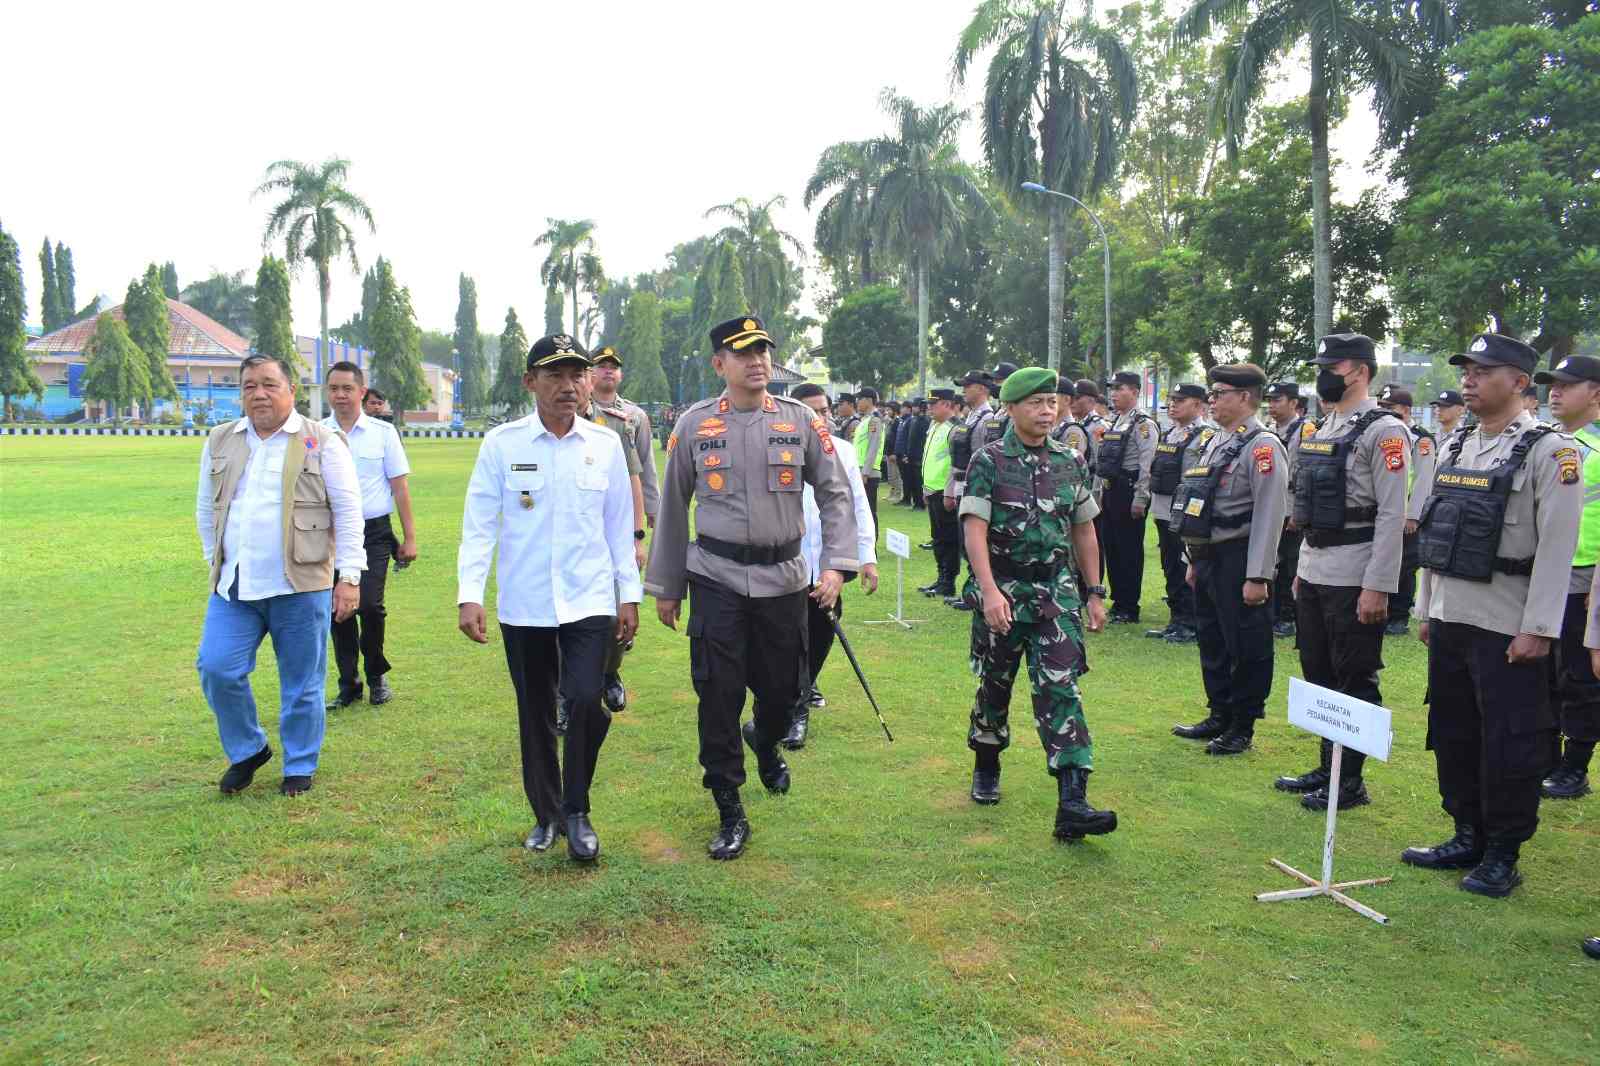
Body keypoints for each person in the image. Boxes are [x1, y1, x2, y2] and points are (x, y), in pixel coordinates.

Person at [645, 316, 858, 861]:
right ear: (720, 364)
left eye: (763, 350)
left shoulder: (802, 421)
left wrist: (836, 565)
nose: (757, 360)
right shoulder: (694, 426)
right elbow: (673, 508)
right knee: (717, 693)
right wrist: (668, 585)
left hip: (784, 580)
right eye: (743, 353)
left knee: (785, 691)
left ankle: (765, 746)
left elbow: (836, 496)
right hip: (715, 577)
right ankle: (729, 805)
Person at [1402, 333, 1581, 897]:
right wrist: (1428, 607)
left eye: (1483, 371)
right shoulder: (1455, 446)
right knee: (1454, 730)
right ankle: (1466, 831)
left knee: (1512, 739)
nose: (1469, 380)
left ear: (1520, 382)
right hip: (1454, 614)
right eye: (1467, 371)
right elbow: (1438, 535)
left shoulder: (1552, 453)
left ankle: (1503, 850)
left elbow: (1557, 547)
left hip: (1508, 619)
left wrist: (1539, 628)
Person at [457, 335, 641, 862]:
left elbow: (617, 528)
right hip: (527, 604)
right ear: (530, 382)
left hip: (588, 601)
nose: (569, 385)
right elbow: (478, 526)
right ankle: (547, 814)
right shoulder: (502, 444)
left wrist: (628, 595)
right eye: (555, 375)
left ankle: (577, 808)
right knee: (535, 711)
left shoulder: (603, 446)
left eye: (577, 374)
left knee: (586, 698)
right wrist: (470, 595)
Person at [195, 354, 366, 797]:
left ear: (292, 390)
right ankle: (249, 749)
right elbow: (205, 510)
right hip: (235, 587)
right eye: (250, 385)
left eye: (269, 384)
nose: (259, 394)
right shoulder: (220, 439)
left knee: (303, 682)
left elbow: (348, 511)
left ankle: (300, 765)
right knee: (216, 668)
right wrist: (211, 560)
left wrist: (349, 577)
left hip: (300, 583)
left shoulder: (321, 441)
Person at [959, 367, 1113, 839]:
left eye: (1052, 402)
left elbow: (1084, 528)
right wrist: (988, 591)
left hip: (1055, 595)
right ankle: (987, 762)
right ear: (1010, 407)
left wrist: (1094, 592)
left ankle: (1073, 803)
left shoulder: (1070, 459)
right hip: (1003, 591)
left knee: (1062, 687)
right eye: (1036, 403)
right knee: (995, 685)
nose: (1047, 411)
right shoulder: (988, 459)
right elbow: (974, 528)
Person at [1275, 333, 1410, 811]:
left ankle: (1349, 780)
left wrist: (1378, 585)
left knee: (1354, 676)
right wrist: (1300, 569)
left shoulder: (1384, 431)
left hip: (1355, 570)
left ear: (1357, 370)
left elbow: (1393, 515)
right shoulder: (1323, 426)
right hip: (1315, 565)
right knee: (1318, 672)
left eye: (1330, 366)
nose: (1322, 375)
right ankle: (1326, 764)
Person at [1170, 365, 1289, 754]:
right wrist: (1193, 557)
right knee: (1213, 638)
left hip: (1240, 557)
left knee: (1246, 644)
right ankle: (1219, 712)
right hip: (1208, 556)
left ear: (1244, 397)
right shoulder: (1214, 441)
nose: (1212, 400)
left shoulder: (1263, 445)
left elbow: (1271, 516)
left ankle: (1242, 725)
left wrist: (1258, 575)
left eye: (1219, 393)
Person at [786, 382, 880, 749]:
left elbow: (859, 505)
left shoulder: (842, 451)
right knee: (788, 637)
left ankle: (802, 690)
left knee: (822, 631)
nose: (821, 418)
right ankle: (796, 705)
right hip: (787, 563)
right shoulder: (778, 449)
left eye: (824, 411)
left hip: (829, 564)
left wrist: (866, 557)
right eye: (812, 412)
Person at [322, 361, 417, 710]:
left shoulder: (382, 433)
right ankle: (349, 685)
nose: (340, 395)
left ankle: (377, 675)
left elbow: (400, 488)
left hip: (374, 532)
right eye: (334, 388)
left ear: (362, 392)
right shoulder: (316, 433)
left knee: (370, 606)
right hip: (330, 534)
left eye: (347, 388)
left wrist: (409, 538)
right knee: (337, 610)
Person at [1534, 356, 1600, 800]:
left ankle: (1574, 767)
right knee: (1548, 673)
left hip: (1586, 574)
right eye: (1551, 385)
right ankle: (1550, 756)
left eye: (1566, 385)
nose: (1554, 392)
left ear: (1595, 392)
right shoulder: (1553, 441)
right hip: (1546, 572)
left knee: (1580, 676)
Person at [576, 363, 648, 720]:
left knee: (615, 620)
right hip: (572, 542)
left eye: (577, 377)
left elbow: (633, 482)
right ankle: (565, 696)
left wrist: (637, 537)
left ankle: (609, 672)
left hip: (610, 539)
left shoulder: (614, 426)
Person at [1145, 383, 1212, 644]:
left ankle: (1190, 622)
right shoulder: (1170, 433)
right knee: (1170, 566)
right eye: (1172, 399)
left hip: (1186, 514)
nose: (1173, 404)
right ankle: (1177, 619)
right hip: (1164, 511)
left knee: (1186, 566)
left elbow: (1200, 480)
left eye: (1180, 400)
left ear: (1198, 404)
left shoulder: (1205, 435)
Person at [1095, 370, 1157, 623]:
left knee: (1129, 550)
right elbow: (1103, 462)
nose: (1114, 393)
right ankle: (1119, 601)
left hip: (1128, 491)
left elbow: (1147, 463)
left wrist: (1141, 498)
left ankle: (1129, 605)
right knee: (1112, 549)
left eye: (1119, 388)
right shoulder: (1113, 422)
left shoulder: (1143, 424)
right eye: (1112, 388)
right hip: (1110, 491)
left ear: (1134, 391)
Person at [1375, 385, 1436, 637]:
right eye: (1382, 406)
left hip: (1405, 510)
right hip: (1383, 509)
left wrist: (1412, 515)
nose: (1384, 411)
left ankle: (1398, 615)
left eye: (1390, 407)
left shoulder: (1420, 439)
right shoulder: (1379, 432)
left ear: (1406, 410)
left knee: (1404, 564)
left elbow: (1423, 479)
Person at [591, 346, 661, 527]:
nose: (608, 371)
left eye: (613, 368)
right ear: (589, 372)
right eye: (602, 366)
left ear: (621, 375)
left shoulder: (635, 415)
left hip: (624, 502)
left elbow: (646, 461)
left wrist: (652, 506)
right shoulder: (576, 411)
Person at [1265, 382, 1312, 638]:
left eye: (1277, 400)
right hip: (1271, 505)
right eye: (1269, 400)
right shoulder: (1268, 430)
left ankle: (1287, 615)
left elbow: (1305, 474)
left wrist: (1298, 511)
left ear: (1294, 403)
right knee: (1270, 560)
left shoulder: (1305, 430)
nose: (1271, 405)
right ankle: (1272, 611)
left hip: (1291, 504)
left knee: (1289, 562)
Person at [920, 388, 960, 598]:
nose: (930, 409)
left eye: (933, 405)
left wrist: (949, 492)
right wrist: (925, 488)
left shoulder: (954, 429)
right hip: (932, 489)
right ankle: (940, 578)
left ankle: (948, 581)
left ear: (946, 404)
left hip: (945, 492)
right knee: (937, 538)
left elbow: (955, 463)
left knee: (948, 538)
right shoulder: (935, 426)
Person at [853, 386, 887, 523]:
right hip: (860, 470)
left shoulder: (874, 420)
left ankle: (872, 543)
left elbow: (873, 447)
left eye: (859, 399)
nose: (857, 402)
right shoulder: (865, 420)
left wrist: (865, 473)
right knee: (860, 510)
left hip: (868, 473)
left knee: (869, 511)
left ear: (868, 400)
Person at [1049, 378, 1091, 457]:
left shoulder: (1073, 431)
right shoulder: (1052, 427)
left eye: (1053, 398)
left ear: (1066, 400)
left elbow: (1072, 463)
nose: (1048, 402)